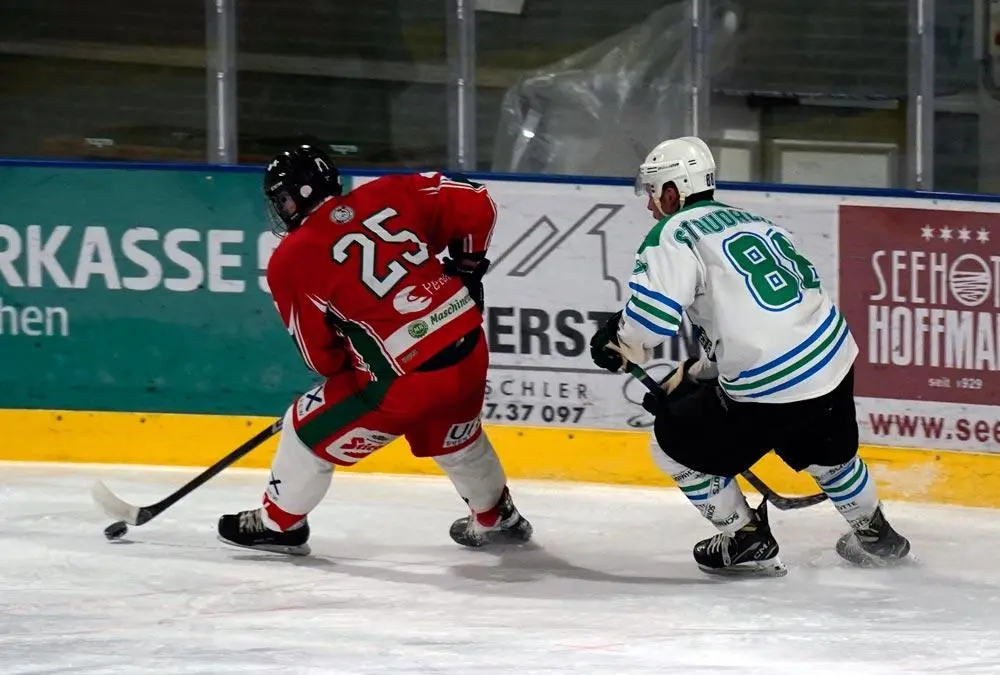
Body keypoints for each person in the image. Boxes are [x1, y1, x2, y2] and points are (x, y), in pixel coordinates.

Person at [588, 136, 910, 576]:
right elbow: (758, 323)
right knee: (829, 457)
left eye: (652, 193)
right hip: (832, 357)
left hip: (771, 383)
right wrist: (689, 375)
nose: (650, 206)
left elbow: (649, 325)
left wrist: (616, 342)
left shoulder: (672, 233)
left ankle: (744, 536)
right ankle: (876, 536)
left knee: (670, 445)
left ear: (671, 191)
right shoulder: (754, 221)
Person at [218, 144, 532, 555]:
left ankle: (280, 524)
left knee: (304, 426)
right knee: (457, 437)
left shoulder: (290, 259)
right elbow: (476, 200)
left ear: (304, 193)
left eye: (284, 197)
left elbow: (322, 359)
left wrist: (355, 358)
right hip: (467, 342)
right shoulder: (388, 191)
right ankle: (495, 517)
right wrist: (467, 268)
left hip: (406, 381)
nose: (282, 207)